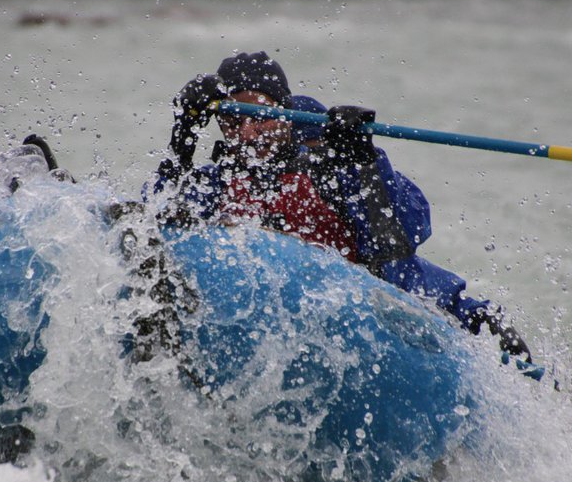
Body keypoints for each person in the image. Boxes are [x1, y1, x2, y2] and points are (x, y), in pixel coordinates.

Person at [153, 51, 532, 363]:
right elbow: (156, 226)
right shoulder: (213, 183)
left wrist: (364, 162)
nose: (247, 134)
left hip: (427, 317)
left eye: (259, 116)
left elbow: (400, 241)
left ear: (285, 114)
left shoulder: (330, 165)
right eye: (232, 121)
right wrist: (181, 140)